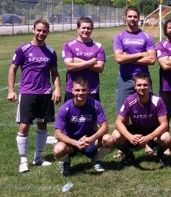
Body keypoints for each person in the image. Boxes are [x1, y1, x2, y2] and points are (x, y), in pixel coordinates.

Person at [7, 19, 61, 173]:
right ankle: (23, 160)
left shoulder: (50, 51)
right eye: (39, 30)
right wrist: (11, 90)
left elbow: (55, 73)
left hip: (45, 93)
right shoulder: (22, 49)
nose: (41, 33)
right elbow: (13, 69)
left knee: (42, 126)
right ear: (33, 30)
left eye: (44, 31)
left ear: (48, 32)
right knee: (24, 126)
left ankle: (38, 157)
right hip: (28, 93)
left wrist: (57, 89)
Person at [53, 78, 113, 176]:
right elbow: (57, 133)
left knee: (109, 139)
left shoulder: (95, 104)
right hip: (71, 142)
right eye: (77, 90)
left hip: (89, 141)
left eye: (83, 90)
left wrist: (90, 139)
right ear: (72, 91)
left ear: (88, 90)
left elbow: (105, 126)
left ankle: (96, 160)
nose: (80, 93)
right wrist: (76, 143)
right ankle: (66, 162)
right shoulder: (65, 108)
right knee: (58, 150)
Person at [112, 73, 171, 166]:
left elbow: (164, 124)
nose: (142, 87)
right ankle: (129, 155)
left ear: (149, 86)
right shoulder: (129, 100)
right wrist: (129, 136)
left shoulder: (157, 100)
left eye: (145, 85)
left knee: (166, 137)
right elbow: (118, 122)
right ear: (134, 87)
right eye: (139, 85)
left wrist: (148, 138)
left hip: (153, 132)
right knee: (115, 135)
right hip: (136, 132)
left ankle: (160, 155)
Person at [113, 6, 156, 112]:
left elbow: (151, 60)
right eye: (130, 16)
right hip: (125, 79)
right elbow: (118, 59)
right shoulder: (119, 37)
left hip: (143, 78)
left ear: (139, 18)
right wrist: (141, 54)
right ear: (125, 18)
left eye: (135, 16)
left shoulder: (147, 37)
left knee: (148, 110)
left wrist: (126, 57)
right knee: (122, 112)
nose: (132, 18)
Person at [63, 17, 106, 101]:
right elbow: (69, 66)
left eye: (88, 28)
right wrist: (91, 62)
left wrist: (78, 61)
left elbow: (100, 68)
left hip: (92, 90)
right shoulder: (68, 45)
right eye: (83, 28)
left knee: (91, 114)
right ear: (78, 29)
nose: (86, 30)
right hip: (72, 90)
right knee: (71, 114)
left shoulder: (98, 47)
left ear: (92, 30)